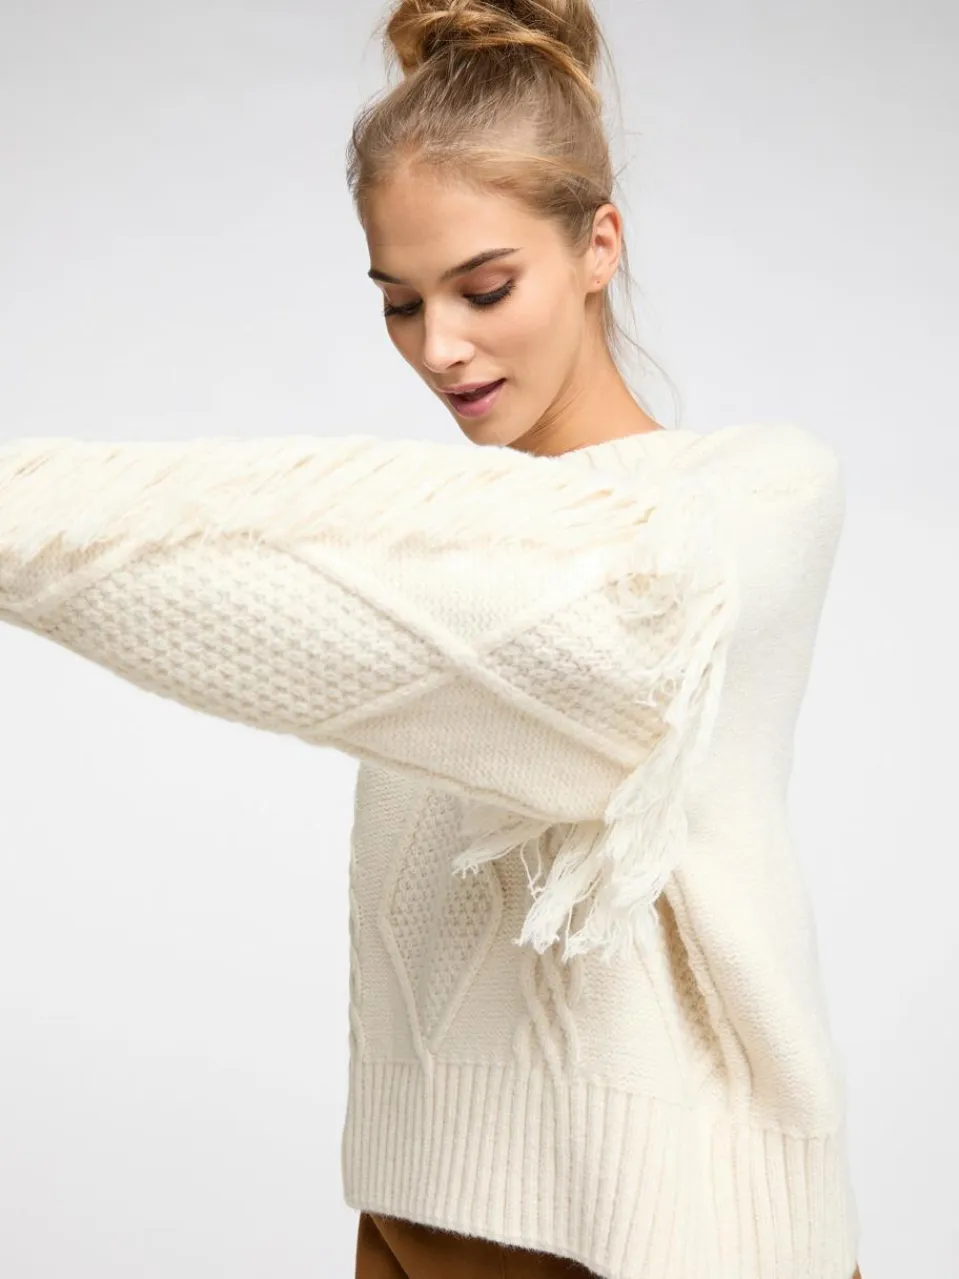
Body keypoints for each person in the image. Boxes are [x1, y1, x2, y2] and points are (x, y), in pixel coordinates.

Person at [0, 1, 863, 1277]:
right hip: (417, 1221)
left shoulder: (753, 495)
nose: (438, 349)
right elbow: (263, 598)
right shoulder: (442, 548)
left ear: (598, 243)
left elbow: (594, 637)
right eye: (399, 303)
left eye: (483, 288)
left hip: (682, 1232)